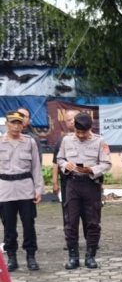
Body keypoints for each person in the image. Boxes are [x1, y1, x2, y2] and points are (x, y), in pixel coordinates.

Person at [57, 112, 112, 269]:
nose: (80, 135)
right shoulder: (67, 140)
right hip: (72, 184)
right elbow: (59, 159)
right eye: (78, 132)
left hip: (91, 185)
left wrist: (91, 169)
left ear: (90, 128)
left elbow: (107, 163)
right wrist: (65, 165)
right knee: (71, 222)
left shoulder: (100, 141)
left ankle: (90, 256)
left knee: (93, 222)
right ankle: (73, 257)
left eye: (84, 132)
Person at [0, 111, 44, 272]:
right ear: (7, 124)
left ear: (23, 124)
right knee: (8, 226)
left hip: (26, 188)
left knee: (29, 224)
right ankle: (12, 257)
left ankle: (31, 256)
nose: (16, 126)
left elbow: (36, 167)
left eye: (19, 123)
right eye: (13, 122)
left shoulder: (29, 142)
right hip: (5, 189)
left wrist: (38, 189)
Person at [52, 109, 88, 250]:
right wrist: (55, 182)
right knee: (68, 213)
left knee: (87, 212)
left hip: (87, 181)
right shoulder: (62, 140)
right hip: (68, 182)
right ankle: (70, 241)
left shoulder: (93, 139)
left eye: (74, 118)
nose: (72, 122)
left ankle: (90, 239)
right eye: (68, 120)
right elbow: (56, 162)